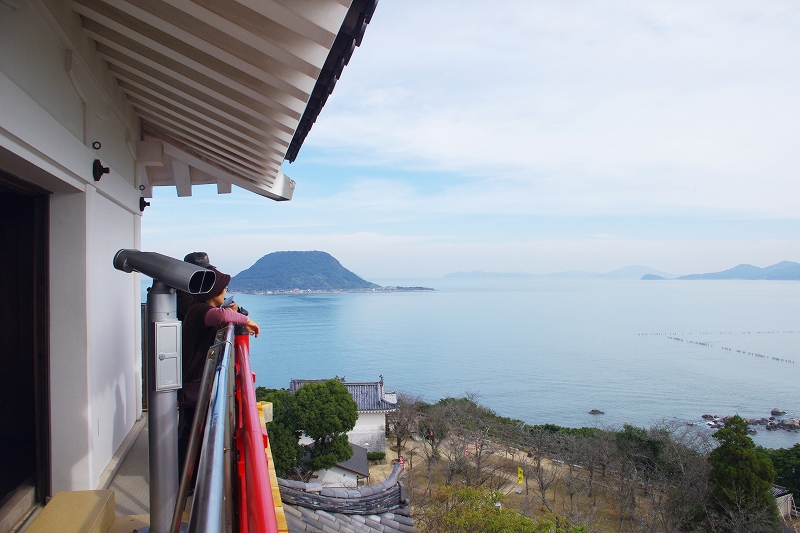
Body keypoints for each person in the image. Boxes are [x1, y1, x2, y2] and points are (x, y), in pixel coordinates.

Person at [178, 265, 259, 474]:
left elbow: (221, 316)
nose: (225, 292)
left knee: (193, 430)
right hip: (195, 380)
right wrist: (247, 321)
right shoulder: (200, 310)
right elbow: (221, 318)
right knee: (191, 432)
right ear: (213, 292)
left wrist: (230, 311)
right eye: (223, 289)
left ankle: (188, 476)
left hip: (195, 379)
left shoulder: (199, 309)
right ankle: (185, 479)